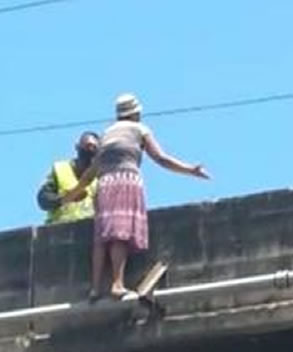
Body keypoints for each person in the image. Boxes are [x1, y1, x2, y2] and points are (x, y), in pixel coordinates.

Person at [62, 94, 210, 300]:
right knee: (118, 234)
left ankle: (95, 288)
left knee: (101, 237)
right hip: (126, 181)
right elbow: (161, 158)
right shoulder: (140, 130)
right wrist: (190, 170)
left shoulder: (106, 134)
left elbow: (90, 174)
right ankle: (117, 284)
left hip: (104, 185)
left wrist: (71, 195)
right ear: (135, 113)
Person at [37, 131, 100, 224]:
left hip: (88, 233)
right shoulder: (61, 169)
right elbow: (43, 200)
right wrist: (65, 198)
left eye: (94, 148)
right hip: (58, 231)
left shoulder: (100, 177)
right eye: (87, 146)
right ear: (77, 147)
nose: (90, 150)